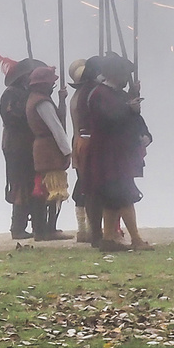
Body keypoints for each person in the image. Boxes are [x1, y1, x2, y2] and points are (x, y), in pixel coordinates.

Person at [84, 53, 154, 251]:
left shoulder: (120, 95)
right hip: (107, 153)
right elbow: (108, 121)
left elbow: (134, 119)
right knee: (123, 195)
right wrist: (128, 109)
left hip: (118, 153)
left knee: (114, 197)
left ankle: (108, 238)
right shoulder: (99, 95)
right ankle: (136, 239)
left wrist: (145, 134)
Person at [0, 55, 42, 239]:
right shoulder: (12, 94)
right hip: (16, 144)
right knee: (20, 183)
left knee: (31, 182)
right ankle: (18, 227)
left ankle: (36, 225)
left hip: (24, 142)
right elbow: (12, 117)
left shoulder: (23, 92)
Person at [25, 64, 73, 240]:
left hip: (42, 146)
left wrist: (61, 101)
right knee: (54, 189)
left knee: (43, 189)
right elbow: (56, 127)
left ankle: (41, 228)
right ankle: (48, 229)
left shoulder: (33, 99)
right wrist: (67, 151)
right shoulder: (42, 102)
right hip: (49, 147)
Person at [67, 58, 96, 244]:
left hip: (79, 141)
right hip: (88, 142)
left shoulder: (77, 96)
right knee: (88, 185)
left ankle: (84, 229)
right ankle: (89, 229)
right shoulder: (88, 96)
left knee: (83, 183)